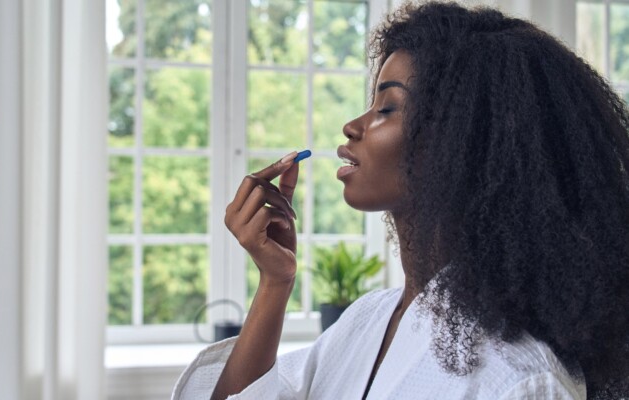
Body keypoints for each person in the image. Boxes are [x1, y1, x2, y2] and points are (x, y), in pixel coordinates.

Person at [172, 2, 629, 399]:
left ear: (462, 142)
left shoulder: (520, 381)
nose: (353, 125)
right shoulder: (367, 322)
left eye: (386, 108)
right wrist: (275, 283)